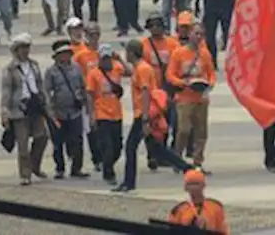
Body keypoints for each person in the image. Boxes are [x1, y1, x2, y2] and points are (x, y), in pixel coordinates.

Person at [0, 32, 48, 186]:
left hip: (35, 107)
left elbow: (40, 86)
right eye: (22, 48)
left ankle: (35, 165)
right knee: (23, 144)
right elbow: (6, 92)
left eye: (27, 47)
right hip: (18, 110)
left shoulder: (34, 65)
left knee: (42, 137)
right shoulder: (10, 69)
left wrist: (45, 103)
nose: (26, 51)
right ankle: (25, 174)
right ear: (16, 50)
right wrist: (4, 112)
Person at [167, 17, 215, 167]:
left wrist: (210, 84)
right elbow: (170, 74)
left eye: (201, 34)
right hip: (184, 97)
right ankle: (178, 158)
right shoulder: (178, 53)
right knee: (183, 130)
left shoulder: (205, 54)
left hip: (201, 97)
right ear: (189, 34)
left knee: (201, 132)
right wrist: (182, 83)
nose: (198, 37)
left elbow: (211, 72)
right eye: (196, 33)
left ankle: (198, 161)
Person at [114, 38, 159, 193]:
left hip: (143, 114)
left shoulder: (143, 69)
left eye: (126, 52)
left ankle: (129, 182)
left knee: (130, 147)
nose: (125, 54)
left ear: (132, 53)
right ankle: (186, 167)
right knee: (158, 148)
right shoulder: (139, 68)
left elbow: (146, 92)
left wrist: (145, 117)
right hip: (142, 114)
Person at [43, 39, 89, 179]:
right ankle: (60, 168)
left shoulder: (76, 68)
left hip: (74, 110)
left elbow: (83, 86)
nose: (65, 56)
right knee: (57, 142)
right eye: (62, 54)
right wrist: (49, 110)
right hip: (58, 112)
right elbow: (46, 91)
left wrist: (86, 103)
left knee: (77, 140)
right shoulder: (51, 72)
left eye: (67, 53)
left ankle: (76, 168)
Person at [86, 43, 125, 184]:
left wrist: (120, 59)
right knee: (107, 146)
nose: (106, 61)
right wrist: (91, 115)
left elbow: (130, 72)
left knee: (118, 146)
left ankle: (108, 164)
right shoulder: (93, 74)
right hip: (102, 114)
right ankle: (109, 173)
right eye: (104, 59)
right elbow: (90, 95)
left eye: (108, 59)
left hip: (117, 113)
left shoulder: (117, 69)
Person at [167, 169, 229, 234]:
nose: (194, 187)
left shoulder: (215, 207)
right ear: (185, 187)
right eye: (190, 184)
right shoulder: (179, 210)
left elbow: (222, 231)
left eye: (196, 184)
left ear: (203, 185)